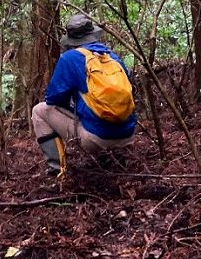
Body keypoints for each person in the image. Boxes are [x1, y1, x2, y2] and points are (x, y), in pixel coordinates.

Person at [31, 14, 136, 176]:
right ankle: (113, 160)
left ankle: (57, 171)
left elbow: (53, 99)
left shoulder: (70, 59)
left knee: (39, 111)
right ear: (92, 34)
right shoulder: (113, 57)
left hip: (95, 139)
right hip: (128, 135)